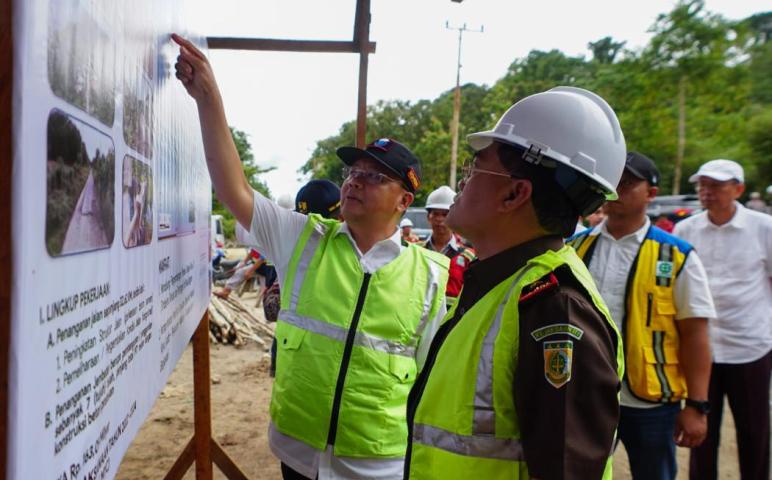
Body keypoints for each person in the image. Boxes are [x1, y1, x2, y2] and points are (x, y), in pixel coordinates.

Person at [172, 34, 450, 480]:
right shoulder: (304, 238)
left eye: (375, 177)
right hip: (298, 454)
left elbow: (432, 382)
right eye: (353, 172)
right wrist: (208, 97)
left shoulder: (431, 276)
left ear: (404, 200)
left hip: (377, 464)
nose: (355, 181)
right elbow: (234, 188)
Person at [404, 86, 625, 479]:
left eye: (474, 169)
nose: (462, 183)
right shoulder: (498, 284)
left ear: (514, 194)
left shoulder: (555, 307)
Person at [568, 152, 715, 480]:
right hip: (585, 395)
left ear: (651, 193)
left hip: (650, 402)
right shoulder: (574, 248)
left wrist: (697, 405)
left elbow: (695, 334)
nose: (616, 189)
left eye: (627, 183)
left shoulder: (676, 255)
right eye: (612, 181)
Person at [673, 159, 772, 480]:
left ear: (738, 189)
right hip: (700, 350)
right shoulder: (686, 230)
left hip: (750, 345)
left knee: (754, 431)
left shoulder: (764, 228)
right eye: (702, 185)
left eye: (715, 186)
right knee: (700, 432)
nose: (706, 192)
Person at [268, 179, 343, 377]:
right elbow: (271, 308)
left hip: (327, 360)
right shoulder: (295, 251)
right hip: (296, 353)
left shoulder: (356, 251)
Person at [421, 186, 476, 306]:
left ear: (454, 217)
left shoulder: (468, 256)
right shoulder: (416, 251)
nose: (440, 219)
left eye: (445, 214)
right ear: (428, 217)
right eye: (435, 214)